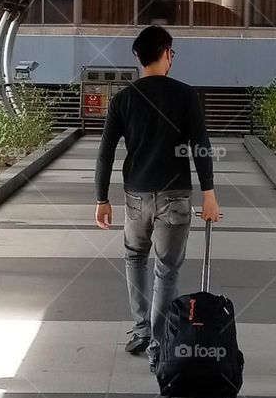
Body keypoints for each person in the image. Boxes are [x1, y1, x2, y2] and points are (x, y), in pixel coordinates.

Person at [95, 25, 222, 365]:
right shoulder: (185, 95)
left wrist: (101, 198)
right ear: (167, 54)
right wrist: (209, 193)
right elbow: (201, 146)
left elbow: (106, 152)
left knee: (135, 257)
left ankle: (141, 329)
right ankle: (159, 345)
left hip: (136, 197)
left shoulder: (123, 99)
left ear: (138, 57)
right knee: (167, 269)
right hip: (176, 197)